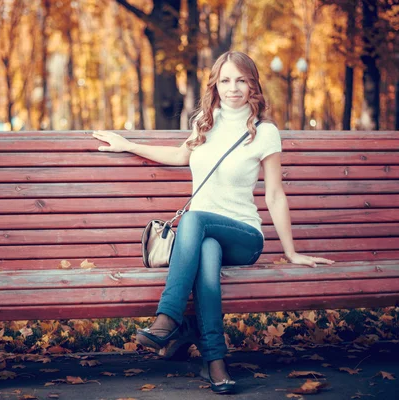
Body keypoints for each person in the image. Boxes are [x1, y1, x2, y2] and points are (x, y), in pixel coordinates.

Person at [93, 51, 334, 394]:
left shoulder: (264, 132)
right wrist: (127, 145)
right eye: (225, 80)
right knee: (204, 250)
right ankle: (215, 361)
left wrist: (292, 252)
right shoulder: (206, 123)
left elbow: (275, 194)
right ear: (215, 85)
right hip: (202, 237)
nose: (233, 88)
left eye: (241, 80)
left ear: (253, 85)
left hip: (243, 237)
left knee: (194, 221)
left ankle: (169, 318)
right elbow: (179, 156)